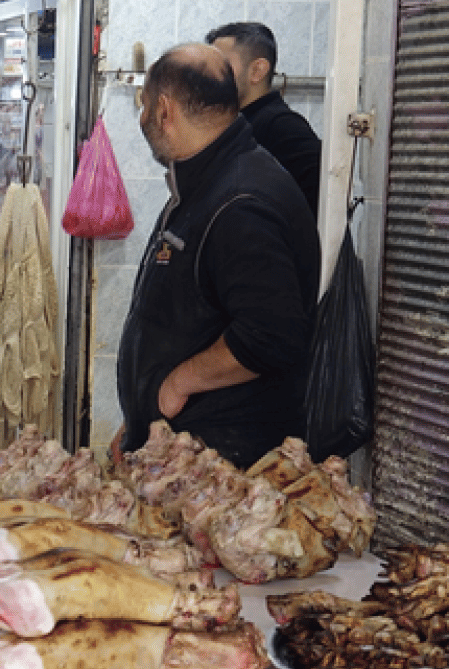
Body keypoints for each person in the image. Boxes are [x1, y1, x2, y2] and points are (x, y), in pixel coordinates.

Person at [115, 43, 321, 469]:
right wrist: (139, 419)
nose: (143, 117)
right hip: (178, 445)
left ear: (165, 110)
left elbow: (270, 336)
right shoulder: (207, 179)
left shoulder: (241, 202)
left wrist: (177, 384)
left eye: (145, 105)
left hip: (222, 464)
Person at [206, 22, 322, 217]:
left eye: (222, 65)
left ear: (257, 71)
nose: (210, 76)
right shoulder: (239, 123)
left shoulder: (281, 125)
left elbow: (324, 197)